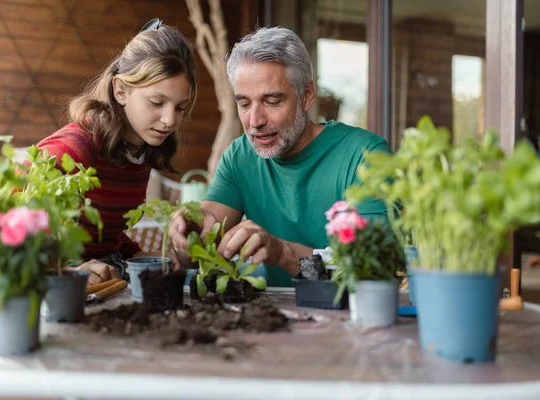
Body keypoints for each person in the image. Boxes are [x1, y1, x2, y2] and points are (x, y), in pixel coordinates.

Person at [169, 27, 391, 287]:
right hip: (277, 319)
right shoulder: (240, 156)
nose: (255, 121)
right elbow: (195, 254)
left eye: (272, 101)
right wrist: (186, 236)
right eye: (244, 103)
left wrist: (282, 253)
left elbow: (374, 270)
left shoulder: (365, 157)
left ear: (306, 96)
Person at [36, 19, 198, 285]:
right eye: (157, 102)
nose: (170, 120)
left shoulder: (141, 150)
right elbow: (12, 226)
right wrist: (67, 271)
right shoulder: (77, 147)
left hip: (104, 273)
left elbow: (107, 235)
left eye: (180, 107)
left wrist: (138, 254)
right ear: (121, 91)